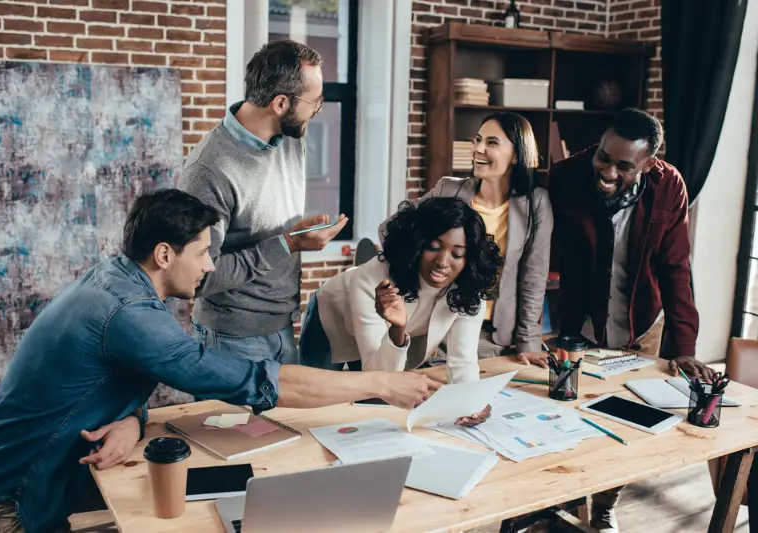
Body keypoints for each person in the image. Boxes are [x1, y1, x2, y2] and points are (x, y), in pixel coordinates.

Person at [0, 189, 439, 533]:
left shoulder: (114, 279)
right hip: (1, 508)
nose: (211, 266)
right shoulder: (129, 314)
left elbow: (102, 376)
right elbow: (260, 383)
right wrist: (380, 385)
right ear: (165, 254)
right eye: (205, 252)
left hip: (12, 485)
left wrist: (131, 418)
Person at [548, 108, 714, 533]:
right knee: (569, 410)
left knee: (627, 416)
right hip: (580, 319)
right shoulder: (566, 176)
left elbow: (677, 268)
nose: (607, 171)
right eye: (604, 157)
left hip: (641, 321)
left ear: (649, 164)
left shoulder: (669, 186)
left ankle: (604, 503)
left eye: (624, 166)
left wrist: (684, 347)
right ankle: (559, 499)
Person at [178, 39, 347, 365]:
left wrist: (295, 236)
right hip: (231, 341)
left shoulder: (289, 138)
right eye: (315, 102)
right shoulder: (209, 171)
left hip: (283, 329)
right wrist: (288, 244)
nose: (317, 110)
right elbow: (196, 278)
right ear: (281, 103)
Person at [300, 197, 502, 424]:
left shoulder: (469, 287)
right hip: (331, 318)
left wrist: (471, 402)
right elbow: (376, 376)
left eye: (457, 254)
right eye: (433, 247)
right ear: (417, 243)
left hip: (382, 335)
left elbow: (462, 361)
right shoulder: (371, 278)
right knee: (316, 400)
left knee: (373, 404)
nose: (443, 262)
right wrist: (398, 328)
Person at [382, 112, 553, 367]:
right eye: (477, 140)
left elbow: (533, 278)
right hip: (438, 330)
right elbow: (390, 229)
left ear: (516, 155)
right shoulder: (449, 189)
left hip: (493, 338)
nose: (478, 149)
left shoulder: (535, 203)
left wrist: (528, 341)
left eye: (492, 143)